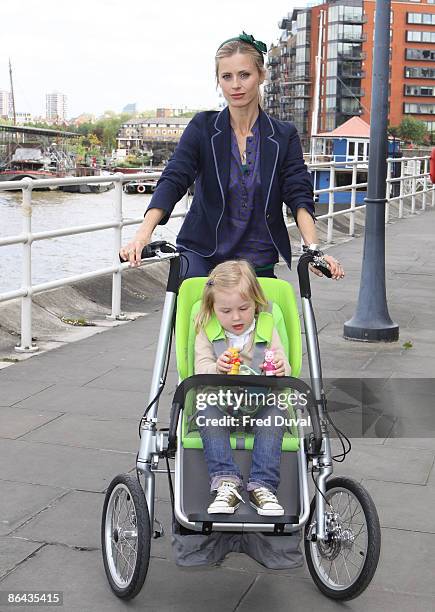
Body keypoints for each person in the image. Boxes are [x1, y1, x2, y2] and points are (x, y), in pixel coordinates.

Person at [120, 31, 345, 282]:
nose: (235, 85)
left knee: (261, 320)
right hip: (202, 252)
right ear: (218, 81)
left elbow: (298, 192)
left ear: (261, 75)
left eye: (244, 75)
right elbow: (174, 178)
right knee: (190, 312)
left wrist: (313, 249)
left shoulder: (283, 136)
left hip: (257, 257)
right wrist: (143, 234)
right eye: (226, 77)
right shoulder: (202, 128)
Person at [194, 260, 291, 516]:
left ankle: (262, 485)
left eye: (244, 308)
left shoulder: (266, 328)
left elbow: (285, 365)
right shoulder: (207, 328)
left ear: (256, 303)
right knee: (206, 413)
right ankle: (227, 481)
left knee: (276, 414)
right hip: (220, 402)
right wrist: (217, 367)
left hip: (260, 404)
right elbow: (200, 368)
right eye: (226, 311)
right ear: (212, 308)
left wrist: (280, 367)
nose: (236, 317)